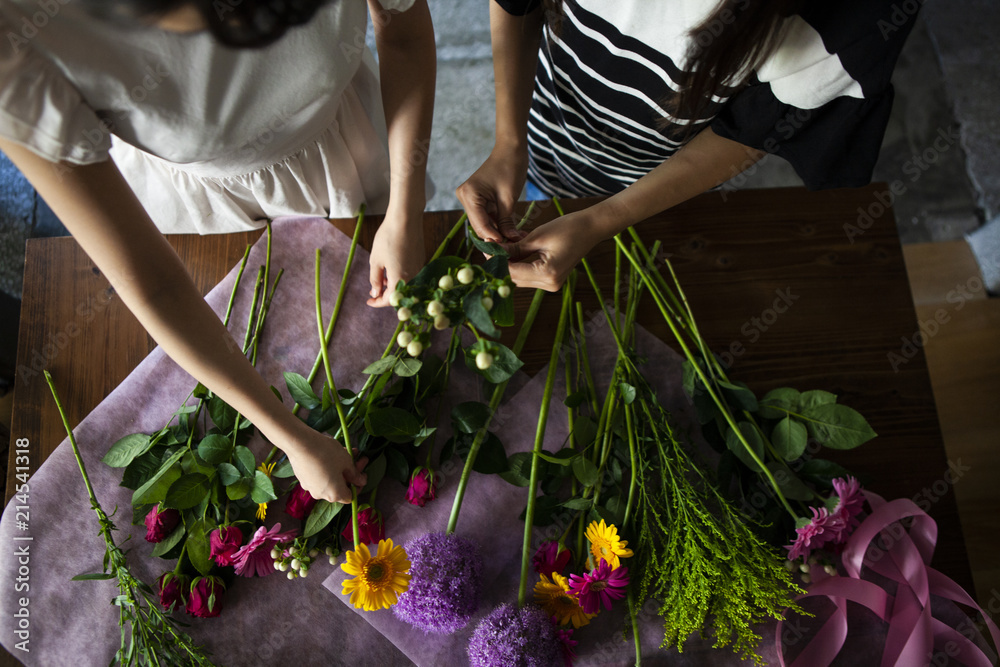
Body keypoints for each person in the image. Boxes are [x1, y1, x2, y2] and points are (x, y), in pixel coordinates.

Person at [0, 0, 436, 503]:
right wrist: (288, 434)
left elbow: (401, 32)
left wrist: (406, 209)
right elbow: (152, 281)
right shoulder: (20, 33)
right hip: (203, 208)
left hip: (351, 143)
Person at [457, 0, 917, 291]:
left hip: (657, 176)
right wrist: (510, 144)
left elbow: (753, 130)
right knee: (545, 184)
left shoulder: (857, 16)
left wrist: (604, 218)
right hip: (546, 129)